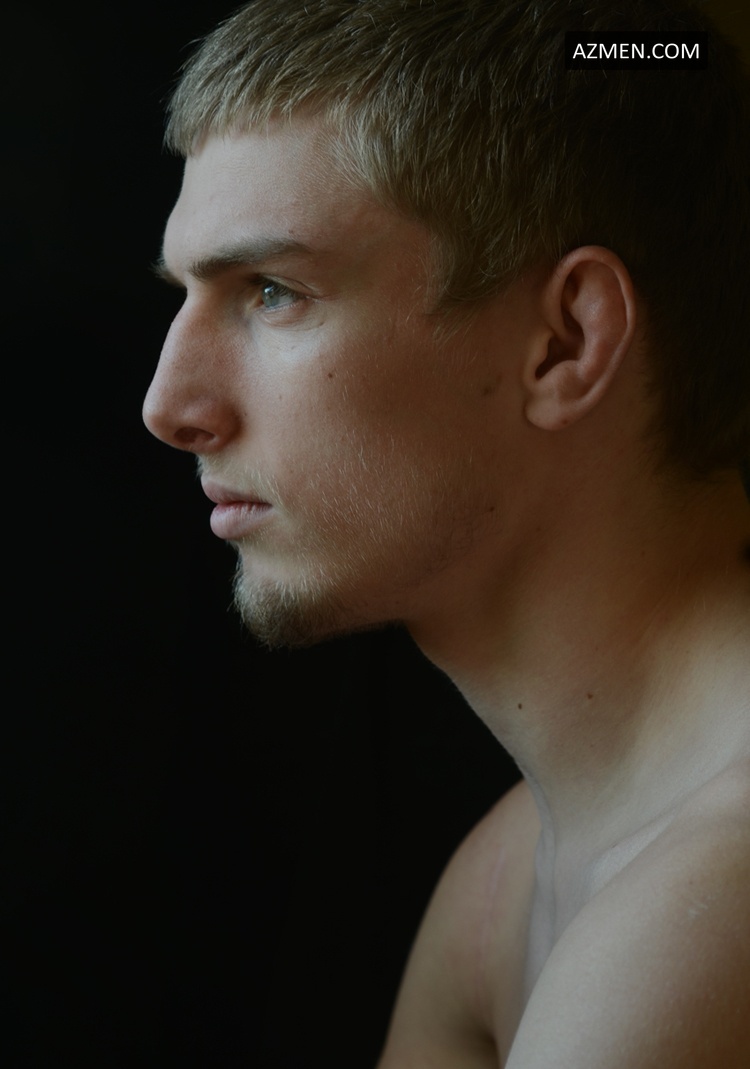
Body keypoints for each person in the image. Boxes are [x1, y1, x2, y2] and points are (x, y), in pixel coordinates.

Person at [143, 0, 749, 1064]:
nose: (169, 405)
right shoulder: (504, 884)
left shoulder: (699, 918)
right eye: (186, 295)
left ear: (564, 342)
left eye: (272, 292)